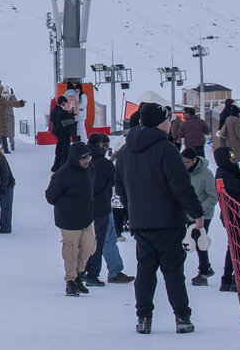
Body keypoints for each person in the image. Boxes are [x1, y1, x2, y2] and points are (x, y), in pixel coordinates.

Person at [114, 102, 205, 335]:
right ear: (158, 123)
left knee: (145, 271)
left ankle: (143, 317)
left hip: (141, 223)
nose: (170, 124)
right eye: (167, 120)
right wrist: (196, 213)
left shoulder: (126, 150)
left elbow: (121, 187)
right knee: (173, 271)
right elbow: (181, 187)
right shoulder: (166, 149)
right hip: (168, 222)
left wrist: (131, 210)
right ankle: (182, 317)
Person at [45, 144, 96, 296]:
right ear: (75, 158)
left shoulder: (91, 169)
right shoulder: (63, 174)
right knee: (71, 251)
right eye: (83, 158)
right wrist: (66, 206)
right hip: (68, 219)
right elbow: (50, 196)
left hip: (87, 217)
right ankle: (71, 281)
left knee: (88, 248)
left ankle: (79, 275)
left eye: (88, 157)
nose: (87, 161)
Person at [82, 133, 132, 287]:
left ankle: (83, 270)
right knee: (104, 239)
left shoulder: (81, 160)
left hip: (83, 208)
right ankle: (109, 272)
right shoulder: (104, 164)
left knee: (88, 241)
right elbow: (117, 181)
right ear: (100, 146)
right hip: (102, 207)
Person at [214, 144, 240, 293]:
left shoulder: (229, 171)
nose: (233, 159)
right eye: (230, 156)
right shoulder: (224, 173)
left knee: (235, 247)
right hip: (233, 216)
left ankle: (228, 280)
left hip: (235, 215)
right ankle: (238, 280)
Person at [181, 147, 218, 286]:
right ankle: (206, 267)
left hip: (203, 214)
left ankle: (204, 272)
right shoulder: (184, 171)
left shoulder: (206, 174)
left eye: (187, 162)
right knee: (188, 240)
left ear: (195, 160)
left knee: (199, 241)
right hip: (187, 214)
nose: (184, 165)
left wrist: (198, 212)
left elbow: (213, 196)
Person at [0, 143, 17, 233]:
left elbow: (5, 173)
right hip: (2, 185)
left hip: (7, 184)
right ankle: (5, 226)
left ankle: (5, 228)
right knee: (4, 206)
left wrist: (3, 187)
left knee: (6, 206)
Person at [49, 95, 78, 172]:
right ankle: (64, 167)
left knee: (59, 151)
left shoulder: (54, 110)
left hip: (57, 133)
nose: (65, 104)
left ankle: (56, 166)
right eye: (65, 103)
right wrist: (71, 116)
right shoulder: (63, 112)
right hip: (64, 134)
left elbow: (53, 122)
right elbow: (69, 122)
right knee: (65, 151)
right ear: (62, 102)